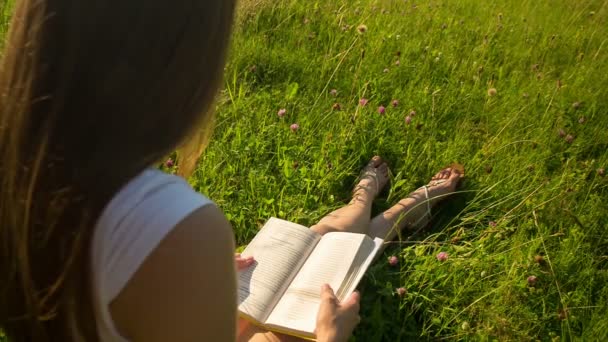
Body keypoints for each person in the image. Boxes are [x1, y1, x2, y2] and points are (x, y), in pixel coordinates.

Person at [0, 1, 462, 342]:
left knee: (315, 246)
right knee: (288, 323)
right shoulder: (169, 221)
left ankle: (375, 203)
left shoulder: (21, 161)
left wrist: (181, 274)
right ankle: (397, 208)